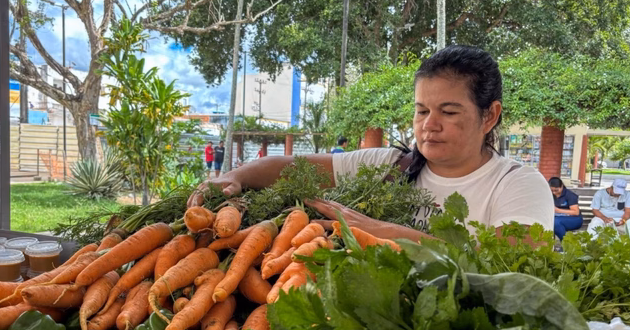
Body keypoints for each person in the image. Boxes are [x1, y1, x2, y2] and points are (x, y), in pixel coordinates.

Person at [188, 45, 553, 241]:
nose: (429, 125)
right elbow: (291, 169)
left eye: (449, 111)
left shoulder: (517, 185)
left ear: (489, 115)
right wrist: (236, 176)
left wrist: (386, 233)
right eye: (422, 110)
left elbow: (504, 271)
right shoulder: (389, 165)